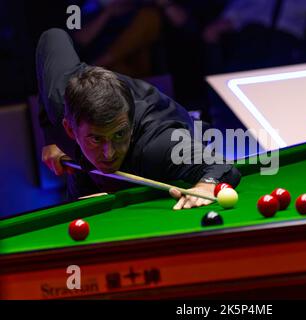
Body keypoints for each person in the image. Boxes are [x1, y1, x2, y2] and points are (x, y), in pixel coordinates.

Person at [36, 28, 241, 210]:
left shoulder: (160, 145)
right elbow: (52, 36)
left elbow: (220, 166)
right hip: (86, 163)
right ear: (70, 129)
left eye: (119, 134)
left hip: (156, 151)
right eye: (96, 139)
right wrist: (51, 136)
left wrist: (205, 186)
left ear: (130, 123)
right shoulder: (59, 98)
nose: (109, 153)